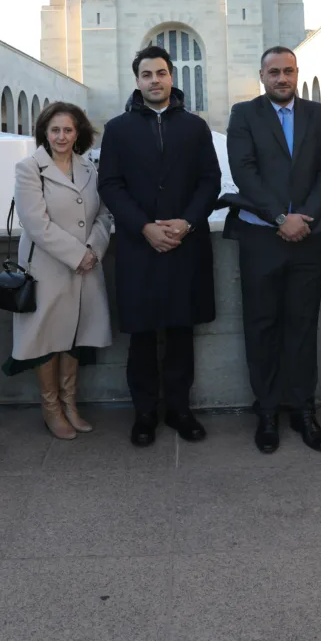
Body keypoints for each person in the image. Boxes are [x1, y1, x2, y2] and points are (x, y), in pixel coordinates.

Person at [98, 45, 221, 447]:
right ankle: (145, 412)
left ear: (171, 77)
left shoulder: (195, 126)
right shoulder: (117, 129)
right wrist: (144, 227)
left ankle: (180, 410)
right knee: (143, 336)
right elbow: (110, 185)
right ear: (137, 81)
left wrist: (185, 222)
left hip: (185, 244)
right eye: (147, 75)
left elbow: (209, 181)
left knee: (181, 332)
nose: (155, 80)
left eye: (161, 73)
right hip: (139, 246)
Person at [220, 46, 321, 454]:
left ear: (297, 73)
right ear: (262, 76)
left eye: (288, 71)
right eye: (274, 72)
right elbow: (244, 170)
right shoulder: (244, 115)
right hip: (261, 239)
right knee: (262, 326)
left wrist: (302, 216)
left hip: (307, 236)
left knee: (303, 326)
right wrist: (278, 218)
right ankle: (267, 411)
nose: (282, 78)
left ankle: (303, 411)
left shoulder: (319, 115)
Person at [7, 102, 112, 439]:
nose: (62, 136)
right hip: (47, 269)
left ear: (78, 132)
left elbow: (104, 215)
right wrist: (76, 254)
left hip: (86, 267)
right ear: (44, 133)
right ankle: (51, 407)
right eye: (55, 130)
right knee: (48, 338)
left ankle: (70, 403)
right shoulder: (29, 168)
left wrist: (93, 250)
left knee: (75, 335)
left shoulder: (89, 169)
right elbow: (35, 223)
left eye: (68, 129)